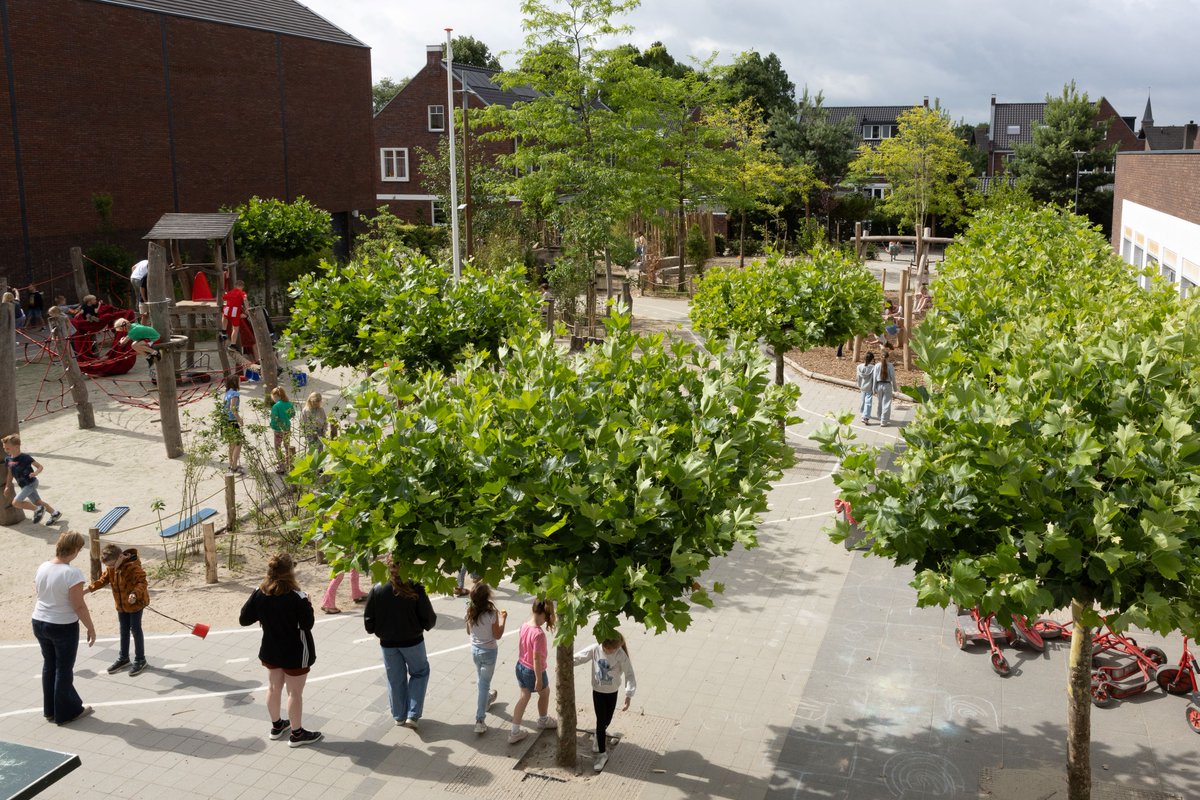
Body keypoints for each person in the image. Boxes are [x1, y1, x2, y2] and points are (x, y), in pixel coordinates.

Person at [238, 553, 322, 747]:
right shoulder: (297, 597)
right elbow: (307, 624)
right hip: (296, 652)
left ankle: (277, 726)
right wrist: (308, 603)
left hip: (270, 649)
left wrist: (263, 614)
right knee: (294, 693)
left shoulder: (259, 593)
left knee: (273, 688)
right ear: (290, 572)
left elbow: (244, 620)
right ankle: (297, 733)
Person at [32, 531, 96, 724]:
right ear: (75, 550)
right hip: (62, 625)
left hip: (39, 620)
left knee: (49, 665)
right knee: (63, 668)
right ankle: (66, 712)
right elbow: (78, 605)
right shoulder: (72, 573)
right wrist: (90, 628)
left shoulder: (43, 566)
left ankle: (50, 710)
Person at [363, 563, 436, 729]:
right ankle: (413, 713)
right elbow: (428, 617)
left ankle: (399, 715)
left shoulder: (377, 588)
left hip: (388, 643)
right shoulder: (415, 587)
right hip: (413, 641)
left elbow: (369, 621)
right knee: (420, 673)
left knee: (395, 678)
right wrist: (423, 625)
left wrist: (379, 630)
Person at [574, 633, 637, 771]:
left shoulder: (620, 655)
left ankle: (598, 733)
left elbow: (630, 674)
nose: (608, 652)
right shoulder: (596, 648)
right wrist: (565, 663)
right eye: (606, 649)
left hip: (612, 692)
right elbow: (581, 657)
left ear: (617, 647)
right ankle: (602, 754)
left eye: (611, 650)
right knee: (601, 721)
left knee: (607, 719)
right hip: (598, 691)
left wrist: (628, 694)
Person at [85, 543, 150, 676]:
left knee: (136, 630)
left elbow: (142, 582)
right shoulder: (111, 568)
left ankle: (140, 659)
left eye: (112, 565)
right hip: (121, 605)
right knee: (123, 630)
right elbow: (103, 580)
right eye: (108, 566)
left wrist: (135, 594)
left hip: (135, 604)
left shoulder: (132, 566)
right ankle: (124, 658)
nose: (111, 568)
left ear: (120, 557)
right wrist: (88, 589)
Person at [509, 598, 556, 744]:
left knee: (524, 697)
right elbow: (536, 658)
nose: (545, 621)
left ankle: (514, 731)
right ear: (541, 614)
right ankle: (543, 719)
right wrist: (539, 678)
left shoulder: (524, 626)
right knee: (545, 693)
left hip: (520, 666)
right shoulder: (539, 634)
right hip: (533, 670)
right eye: (546, 617)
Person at [465, 582, 507, 734]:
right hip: (488, 652)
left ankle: (487, 698)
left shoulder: (470, 610)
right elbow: (498, 635)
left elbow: (469, 631)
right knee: (483, 684)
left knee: (481, 679)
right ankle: (480, 719)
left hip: (475, 650)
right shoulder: (491, 614)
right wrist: (503, 620)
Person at [3, 433, 61, 525]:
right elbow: (10, 474)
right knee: (38, 502)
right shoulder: (8, 459)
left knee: (16, 503)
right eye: (4, 448)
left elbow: (40, 466)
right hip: (24, 485)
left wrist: (35, 473)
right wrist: (7, 486)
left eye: (8, 448)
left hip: (31, 483)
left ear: (17, 447)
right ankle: (55, 513)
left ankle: (38, 510)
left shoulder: (25, 457)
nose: (6, 450)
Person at [221, 376, 245, 474]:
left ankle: (231, 464)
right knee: (238, 443)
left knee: (231, 444)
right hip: (232, 421)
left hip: (224, 421)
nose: (240, 382)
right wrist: (240, 420)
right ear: (235, 383)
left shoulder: (227, 393)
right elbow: (233, 408)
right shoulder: (235, 393)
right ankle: (234, 467)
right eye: (239, 381)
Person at [269, 386, 295, 474]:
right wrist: (286, 418)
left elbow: (274, 418)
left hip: (278, 429)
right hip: (287, 427)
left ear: (276, 396)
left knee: (278, 447)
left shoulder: (276, 406)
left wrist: (272, 425)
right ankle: (289, 463)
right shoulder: (288, 403)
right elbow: (292, 413)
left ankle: (282, 466)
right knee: (287, 445)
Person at [874, 345, 898, 426]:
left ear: (880, 357)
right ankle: (883, 421)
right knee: (886, 403)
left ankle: (880, 417)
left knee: (880, 402)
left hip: (879, 385)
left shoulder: (877, 365)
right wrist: (895, 388)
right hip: (887, 385)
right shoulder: (890, 365)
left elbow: (874, 378)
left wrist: (874, 388)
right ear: (888, 358)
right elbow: (893, 378)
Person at [220, 280, 247, 347]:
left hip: (227, 310)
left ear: (235, 286)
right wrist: (247, 309)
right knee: (235, 329)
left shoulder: (229, 292)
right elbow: (245, 299)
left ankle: (223, 332)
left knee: (224, 316)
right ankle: (233, 344)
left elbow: (223, 298)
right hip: (235, 312)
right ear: (242, 286)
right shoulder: (242, 293)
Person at [857, 352, 876, 425]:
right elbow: (874, 379)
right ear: (872, 359)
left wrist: (859, 385)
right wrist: (874, 388)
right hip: (869, 387)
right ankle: (865, 417)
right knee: (868, 402)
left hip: (862, 386)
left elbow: (858, 377)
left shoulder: (859, 367)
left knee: (863, 400)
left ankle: (863, 411)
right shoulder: (873, 368)